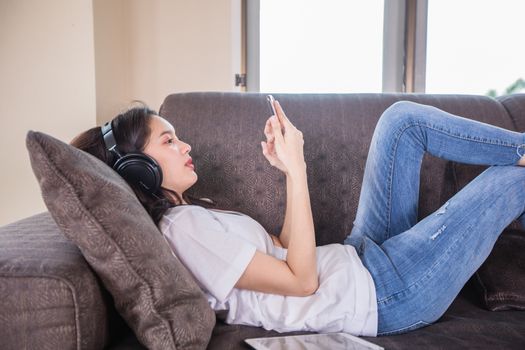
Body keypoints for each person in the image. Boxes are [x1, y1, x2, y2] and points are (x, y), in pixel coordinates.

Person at [71, 99, 525, 337]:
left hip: (359, 259)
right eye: (169, 141)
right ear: (137, 169)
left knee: (402, 122)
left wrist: (288, 171)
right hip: (384, 295)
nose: (185, 146)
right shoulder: (183, 231)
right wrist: (301, 170)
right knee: (509, 181)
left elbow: (286, 250)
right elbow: (302, 281)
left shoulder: (192, 216)